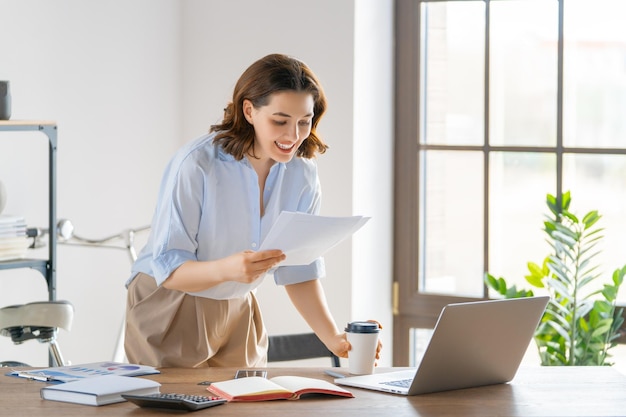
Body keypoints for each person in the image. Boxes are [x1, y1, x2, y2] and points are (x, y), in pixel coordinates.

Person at [124, 53, 382, 368]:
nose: (293, 135)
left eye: (304, 121)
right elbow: (169, 267)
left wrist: (334, 339)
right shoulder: (196, 164)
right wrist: (229, 270)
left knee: (248, 404)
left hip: (238, 306)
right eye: (280, 120)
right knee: (175, 407)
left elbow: (298, 269)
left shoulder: (302, 174)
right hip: (170, 303)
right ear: (249, 110)